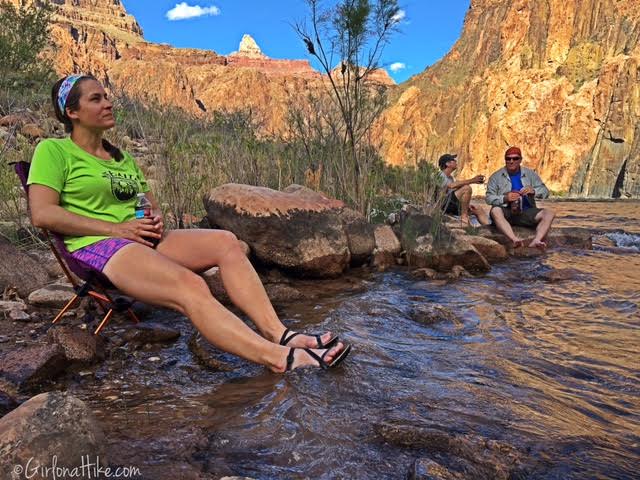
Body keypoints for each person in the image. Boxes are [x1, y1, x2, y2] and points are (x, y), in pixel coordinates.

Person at [27, 74, 351, 372]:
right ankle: (281, 359)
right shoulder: (54, 151)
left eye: (106, 96)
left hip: (139, 238)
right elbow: (43, 214)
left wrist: (151, 217)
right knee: (191, 285)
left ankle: (279, 334)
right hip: (99, 245)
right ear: (72, 112)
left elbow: (145, 201)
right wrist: (118, 229)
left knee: (226, 242)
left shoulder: (120, 157)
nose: (108, 103)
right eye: (96, 98)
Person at [485, 146, 555, 248]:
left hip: (526, 212)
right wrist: (505, 198)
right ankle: (514, 239)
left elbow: (545, 192)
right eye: (508, 159)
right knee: (495, 210)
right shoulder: (496, 177)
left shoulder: (530, 174)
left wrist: (533, 191)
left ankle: (536, 241)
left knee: (549, 213)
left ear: (520, 160)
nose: (511, 161)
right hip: (506, 212)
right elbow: (488, 198)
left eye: (515, 158)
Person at [437, 153, 490, 226]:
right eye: (453, 160)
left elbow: (456, 193)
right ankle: (464, 217)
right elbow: (451, 186)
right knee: (466, 188)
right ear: (448, 164)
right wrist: (472, 180)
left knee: (477, 208)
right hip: (443, 205)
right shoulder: (440, 175)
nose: (456, 162)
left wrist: (466, 205)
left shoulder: (451, 178)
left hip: (451, 205)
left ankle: (489, 228)